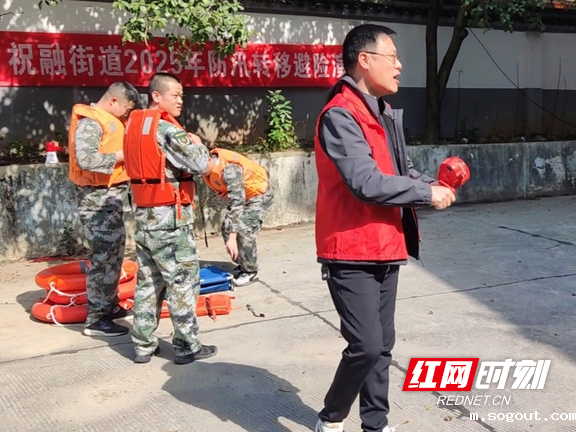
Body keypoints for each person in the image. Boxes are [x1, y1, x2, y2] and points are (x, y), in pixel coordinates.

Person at [313, 24, 456, 432]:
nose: (399, 65)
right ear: (364, 60)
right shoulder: (340, 114)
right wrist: (425, 194)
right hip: (349, 248)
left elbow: (400, 170)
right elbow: (366, 182)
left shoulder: (383, 112)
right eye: (392, 57)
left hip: (386, 244)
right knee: (366, 345)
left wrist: (434, 184)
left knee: (383, 347)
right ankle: (331, 417)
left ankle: (375, 424)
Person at [123, 72, 217, 365]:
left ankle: (143, 346)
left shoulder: (133, 127)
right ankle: (187, 346)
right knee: (182, 281)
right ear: (156, 96)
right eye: (175, 95)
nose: (180, 101)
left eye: (181, 96)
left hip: (144, 218)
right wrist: (197, 142)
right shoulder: (166, 130)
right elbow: (202, 164)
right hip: (170, 221)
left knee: (148, 282)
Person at [68, 81, 140, 337]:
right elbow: (86, 159)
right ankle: (96, 319)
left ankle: (109, 306)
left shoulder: (110, 120)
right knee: (103, 257)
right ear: (113, 101)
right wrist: (123, 155)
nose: (126, 114)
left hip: (111, 200)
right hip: (96, 201)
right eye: (126, 109)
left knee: (114, 255)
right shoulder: (91, 122)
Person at [202, 148, 274, 286]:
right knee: (227, 227)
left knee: (243, 229)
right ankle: (244, 263)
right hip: (245, 196)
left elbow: (237, 204)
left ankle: (251, 271)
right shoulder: (208, 168)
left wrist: (232, 237)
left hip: (259, 196)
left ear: (209, 160)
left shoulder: (229, 170)